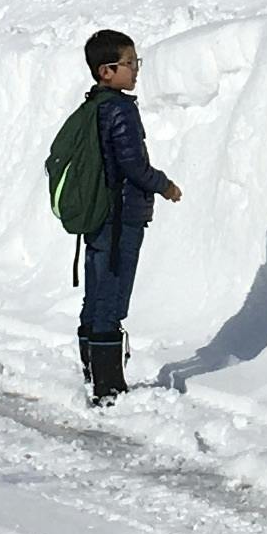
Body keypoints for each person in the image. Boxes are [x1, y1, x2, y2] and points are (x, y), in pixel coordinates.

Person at [78, 28, 180, 404]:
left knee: (95, 294)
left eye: (136, 61)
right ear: (106, 71)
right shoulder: (120, 109)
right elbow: (132, 165)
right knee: (112, 297)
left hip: (98, 215)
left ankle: (92, 374)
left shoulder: (94, 105)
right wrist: (164, 185)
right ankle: (107, 388)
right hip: (119, 218)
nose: (135, 69)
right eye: (129, 62)